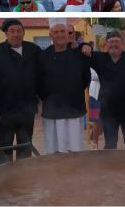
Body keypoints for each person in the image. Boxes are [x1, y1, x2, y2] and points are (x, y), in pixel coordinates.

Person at [0, 20, 41, 164]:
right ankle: (4, 177)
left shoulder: (33, 50)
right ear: (6, 33)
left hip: (26, 109)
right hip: (3, 109)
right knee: (4, 146)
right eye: (12, 31)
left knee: (25, 144)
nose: (16, 34)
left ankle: (23, 175)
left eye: (19, 31)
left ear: (23, 32)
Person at [84, 31, 125, 149]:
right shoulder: (100, 58)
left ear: (122, 43)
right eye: (111, 42)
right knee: (110, 143)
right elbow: (83, 54)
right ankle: (111, 166)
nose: (114, 44)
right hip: (108, 109)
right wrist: (85, 45)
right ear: (106, 44)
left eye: (117, 41)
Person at [38, 20, 91, 154]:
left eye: (63, 31)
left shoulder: (79, 54)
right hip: (52, 110)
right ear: (51, 35)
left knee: (74, 149)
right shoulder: (42, 57)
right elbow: (38, 80)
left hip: (74, 109)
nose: (60, 35)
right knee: (53, 149)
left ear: (68, 35)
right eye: (56, 32)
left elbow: (86, 78)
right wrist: (48, 97)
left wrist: (73, 92)